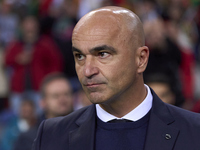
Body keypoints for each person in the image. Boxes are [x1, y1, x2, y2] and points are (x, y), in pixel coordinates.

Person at [32, 6, 200, 150]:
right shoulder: (51, 136)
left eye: (103, 54)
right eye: (80, 56)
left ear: (141, 59)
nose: (87, 70)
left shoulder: (194, 131)